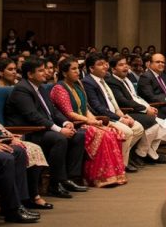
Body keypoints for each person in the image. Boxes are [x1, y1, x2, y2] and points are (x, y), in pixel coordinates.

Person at [3, 57, 88, 199]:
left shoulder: (41, 88)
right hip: (29, 131)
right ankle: (55, 184)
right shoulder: (22, 90)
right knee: (59, 138)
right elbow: (32, 116)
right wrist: (59, 129)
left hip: (43, 127)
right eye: (41, 70)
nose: (45, 73)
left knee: (78, 135)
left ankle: (70, 178)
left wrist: (65, 122)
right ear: (30, 74)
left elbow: (53, 111)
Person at [0, 65, 51, 211]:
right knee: (24, 149)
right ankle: (22, 199)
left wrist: (8, 134)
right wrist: (3, 138)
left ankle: (31, 195)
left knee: (33, 149)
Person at [49, 59, 126, 187]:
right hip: (73, 123)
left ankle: (113, 175)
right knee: (103, 134)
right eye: (73, 69)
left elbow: (85, 109)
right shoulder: (59, 88)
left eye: (78, 68)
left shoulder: (78, 84)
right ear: (64, 72)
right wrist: (89, 121)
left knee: (112, 131)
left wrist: (94, 120)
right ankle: (97, 177)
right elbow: (69, 113)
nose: (77, 71)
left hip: (83, 120)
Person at [81, 54, 147, 173]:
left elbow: (113, 102)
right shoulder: (88, 82)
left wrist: (122, 115)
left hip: (114, 115)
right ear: (91, 69)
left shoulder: (103, 80)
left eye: (105, 63)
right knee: (126, 132)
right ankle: (120, 165)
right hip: (103, 118)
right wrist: (120, 119)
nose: (105, 66)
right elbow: (97, 107)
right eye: (100, 64)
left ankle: (118, 160)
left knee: (138, 128)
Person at [105, 56, 166, 165]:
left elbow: (136, 97)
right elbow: (124, 102)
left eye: (126, 64)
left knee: (161, 121)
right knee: (152, 122)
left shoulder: (126, 80)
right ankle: (140, 153)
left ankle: (146, 153)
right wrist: (145, 110)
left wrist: (148, 107)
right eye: (121, 65)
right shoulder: (113, 82)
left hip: (135, 109)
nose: (125, 67)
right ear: (113, 69)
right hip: (127, 112)